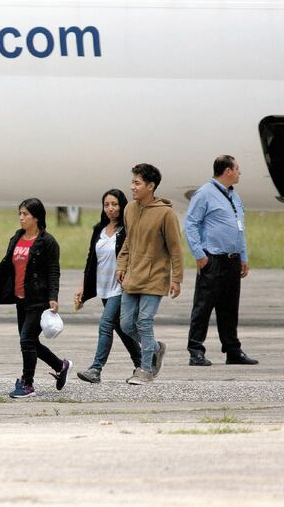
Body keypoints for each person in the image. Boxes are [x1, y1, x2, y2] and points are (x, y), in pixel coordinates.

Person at [0, 198, 69, 398]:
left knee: (26, 341)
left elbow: (53, 271)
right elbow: (7, 267)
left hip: (39, 300)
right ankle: (61, 366)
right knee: (31, 342)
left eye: (25, 214)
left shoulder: (48, 242)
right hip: (20, 299)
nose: (21, 218)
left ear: (37, 217)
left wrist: (53, 296)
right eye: (20, 214)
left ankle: (27, 384)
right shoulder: (16, 238)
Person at [185, 155, 257, 366]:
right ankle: (196, 350)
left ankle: (233, 350)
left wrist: (243, 256)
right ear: (227, 171)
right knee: (203, 306)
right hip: (212, 259)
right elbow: (191, 224)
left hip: (232, 260)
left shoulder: (234, 195)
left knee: (229, 307)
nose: (239, 172)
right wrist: (199, 254)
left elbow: (239, 227)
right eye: (237, 168)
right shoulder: (205, 194)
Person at [116, 164, 184, 385]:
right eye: (132, 182)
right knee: (126, 325)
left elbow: (175, 248)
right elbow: (128, 241)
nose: (132, 187)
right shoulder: (129, 210)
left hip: (155, 277)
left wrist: (176, 279)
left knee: (144, 322)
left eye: (137, 183)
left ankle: (145, 370)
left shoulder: (166, 213)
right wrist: (121, 265)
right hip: (132, 276)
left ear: (151, 186)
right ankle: (155, 347)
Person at [74, 190, 141, 383]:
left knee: (105, 325)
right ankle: (144, 361)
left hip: (120, 287)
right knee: (122, 328)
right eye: (106, 205)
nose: (111, 208)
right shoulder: (99, 229)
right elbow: (91, 260)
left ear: (122, 206)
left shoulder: (127, 229)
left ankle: (96, 369)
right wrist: (82, 286)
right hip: (103, 287)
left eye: (115, 204)